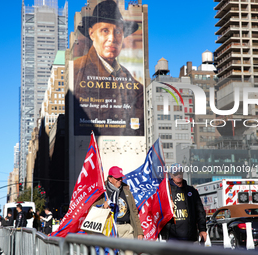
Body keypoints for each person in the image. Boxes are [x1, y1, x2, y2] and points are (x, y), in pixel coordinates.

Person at [74, 0, 144, 136]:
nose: (112, 38)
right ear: (91, 34)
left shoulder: (135, 85)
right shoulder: (76, 72)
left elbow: (139, 128)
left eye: (117, 32)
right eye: (105, 31)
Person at [93, 166, 144, 240]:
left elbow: (134, 212)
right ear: (110, 179)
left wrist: (139, 232)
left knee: (129, 252)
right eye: (117, 178)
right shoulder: (102, 192)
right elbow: (92, 210)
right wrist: (103, 206)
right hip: (109, 230)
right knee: (111, 252)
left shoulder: (126, 191)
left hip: (126, 229)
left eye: (121, 178)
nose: (120, 180)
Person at [160, 167, 207, 242]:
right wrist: (167, 206)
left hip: (190, 237)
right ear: (171, 175)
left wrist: (202, 229)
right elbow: (157, 211)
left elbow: (200, 212)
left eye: (180, 173)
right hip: (172, 237)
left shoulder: (192, 191)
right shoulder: (165, 191)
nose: (178, 176)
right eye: (176, 174)